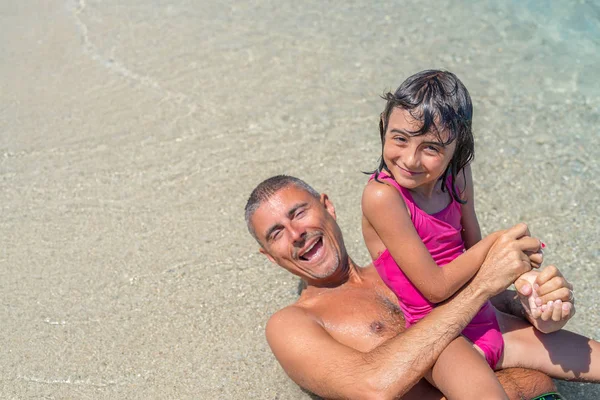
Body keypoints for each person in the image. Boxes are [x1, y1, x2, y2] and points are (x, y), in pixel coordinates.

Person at [361, 70, 600, 399]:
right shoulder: (382, 197)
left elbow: (472, 248)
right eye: (399, 139)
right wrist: (499, 244)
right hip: (442, 341)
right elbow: (435, 287)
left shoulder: (457, 175)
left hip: (488, 319)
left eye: (431, 148)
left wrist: (525, 292)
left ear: (458, 147)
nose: (410, 159)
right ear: (383, 128)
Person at [245, 175, 585, 400]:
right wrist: (480, 285)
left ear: (328, 206)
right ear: (270, 256)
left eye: (299, 213)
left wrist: (536, 302)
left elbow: (493, 311)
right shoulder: (291, 324)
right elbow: (372, 385)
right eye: (276, 233)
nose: (295, 233)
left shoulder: (407, 264)